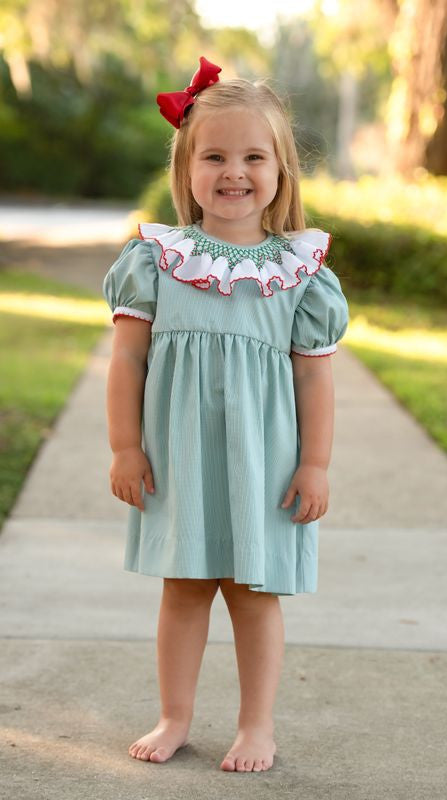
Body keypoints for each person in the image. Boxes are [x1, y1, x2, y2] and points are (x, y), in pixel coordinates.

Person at [102, 56, 349, 773]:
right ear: (187, 170)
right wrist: (124, 446)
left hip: (265, 462)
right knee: (183, 590)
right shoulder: (156, 260)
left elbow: (314, 381)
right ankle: (175, 715)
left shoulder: (301, 276)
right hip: (179, 453)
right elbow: (127, 363)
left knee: (253, 594)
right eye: (214, 155)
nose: (232, 171)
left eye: (252, 156)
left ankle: (256, 726)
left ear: (280, 173)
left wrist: (315, 463)